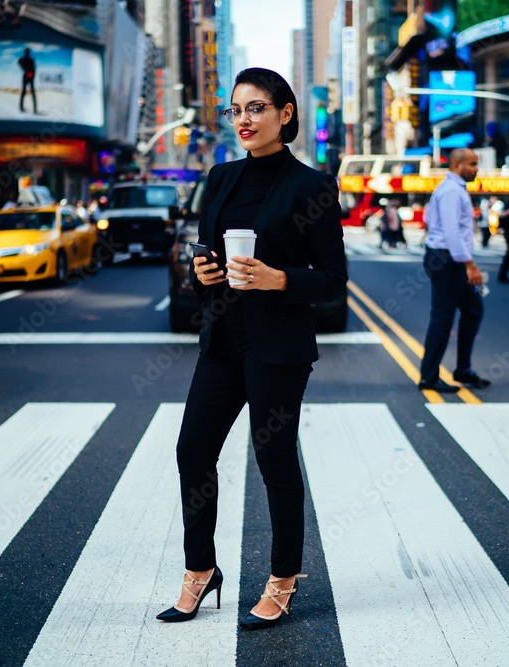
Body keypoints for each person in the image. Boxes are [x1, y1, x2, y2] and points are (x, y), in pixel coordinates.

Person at [156, 68, 346, 631]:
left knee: (274, 460)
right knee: (193, 451)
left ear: (286, 114)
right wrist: (203, 272)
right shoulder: (220, 178)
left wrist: (277, 279)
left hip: (278, 346)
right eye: (236, 110)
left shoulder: (312, 186)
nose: (243, 119)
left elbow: (333, 280)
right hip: (222, 337)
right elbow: (205, 254)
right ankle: (200, 570)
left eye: (256, 108)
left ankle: (283, 580)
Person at [417, 147, 491, 393]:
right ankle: (428, 377)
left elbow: (430, 220)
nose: (476, 168)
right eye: (472, 164)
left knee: (473, 309)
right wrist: (469, 264)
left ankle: (463, 369)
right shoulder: (451, 191)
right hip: (447, 260)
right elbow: (451, 232)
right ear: (457, 166)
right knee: (442, 318)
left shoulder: (452, 189)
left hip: (448, 258)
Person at [19, 48, 37, 114]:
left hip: (29, 76)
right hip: (29, 76)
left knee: (26, 92)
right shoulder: (29, 60)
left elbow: (34, 70)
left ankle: (34, 108)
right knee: (29, 92)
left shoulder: (28, 60)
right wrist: (24, 69)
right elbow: (34, 70)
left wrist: (25, 69)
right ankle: (34, 108)